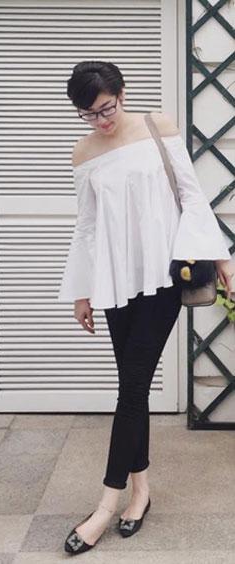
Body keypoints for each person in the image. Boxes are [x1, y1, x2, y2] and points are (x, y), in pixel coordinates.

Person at [56, 60, 234, 555]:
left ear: (123, 94)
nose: (101, 120)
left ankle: (106, 506)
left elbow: (191, 195)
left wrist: (223, 260)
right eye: (88, 114)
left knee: (132, 387)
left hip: (162, 278)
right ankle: (141, 493)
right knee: (131, 390)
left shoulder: (158, 127)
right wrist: (83, 291)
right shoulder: (84, 152)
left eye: (106, 108)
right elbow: (87, 224)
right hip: (116, 281)